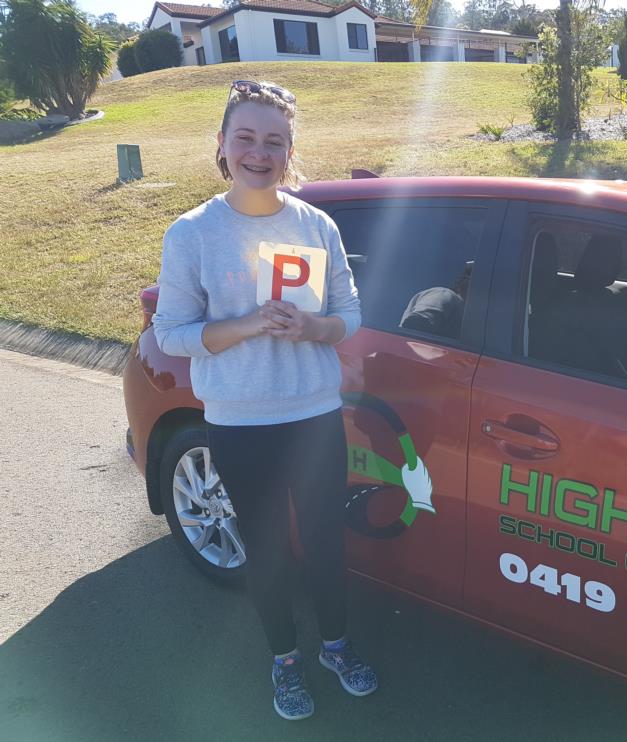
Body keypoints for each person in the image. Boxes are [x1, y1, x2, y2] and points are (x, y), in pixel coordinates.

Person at [152, 80, 373, 721]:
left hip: (313, 415)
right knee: (267, 550)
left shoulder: (316, 224)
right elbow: (171, 334)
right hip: (240, 422)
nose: (259, 152)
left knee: (327, 543)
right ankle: (285, 659)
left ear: (289, 151)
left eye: (274, 141)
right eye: (245, 137)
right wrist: (249, 324)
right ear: (222, 145)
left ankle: (336, 646)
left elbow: (350, 313)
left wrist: (316, 328)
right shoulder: (192, 233)